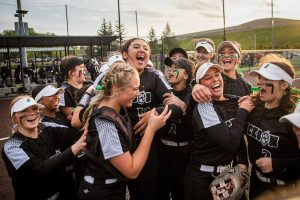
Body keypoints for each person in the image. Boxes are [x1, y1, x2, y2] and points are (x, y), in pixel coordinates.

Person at [77, 62, 171, 200]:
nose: (138, 93)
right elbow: (131, 171)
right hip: (100, 191)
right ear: (116, 89)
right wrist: (151, 128)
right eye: (134, 89)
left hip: (112, 188)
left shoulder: (116, 110)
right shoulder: (105, 123)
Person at [122, 38, 185, 200]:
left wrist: (155, 112)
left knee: (153, 190)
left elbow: (176, 107)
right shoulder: (115, 76)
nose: (142, 50)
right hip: (122, 144)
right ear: (124, 54)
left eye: (146, 48)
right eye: (136, 47)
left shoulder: (154, 76)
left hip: (149, 144)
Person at [183, 62, 254, 200]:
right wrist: (243, 111)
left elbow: (238, 137)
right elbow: (230, 143)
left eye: (217, 75)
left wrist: (243, 163)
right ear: (200, 85)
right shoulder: (203, 107)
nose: (215, 79)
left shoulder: (234, 101)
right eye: (208, 78)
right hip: (202, 179)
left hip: (228, 175)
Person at [2, 95, 86, 200]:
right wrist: (75, 148)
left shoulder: (46, 126)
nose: (32, 113)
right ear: (14, 118)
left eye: (34, 109)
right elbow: (40, 170)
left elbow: (75, 133)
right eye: (24, 110)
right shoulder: (12, 146)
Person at [246, 54, 300, 198]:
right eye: (260, 78)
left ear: (284, 85)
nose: (260, 83)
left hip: (285, 189)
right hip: (256, 183)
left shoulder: (293, 117)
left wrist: (278, 163)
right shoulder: (252, 108)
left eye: (267, 79)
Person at [157, 57, 195, 200]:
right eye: (170, 67)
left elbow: (196, 125)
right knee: (161, 190)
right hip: (163, 150)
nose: (171, 70)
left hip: (183, 153)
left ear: (186, 75)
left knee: (180, 192)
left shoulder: (193, 95)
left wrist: (183, 108)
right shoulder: (164, 92)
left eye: (176, 67)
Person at [58, 56, 90, 123]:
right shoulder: (62, 92)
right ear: (71, 72)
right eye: (81, 67)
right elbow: (76, 115)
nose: (86, 70)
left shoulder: (91, 84)